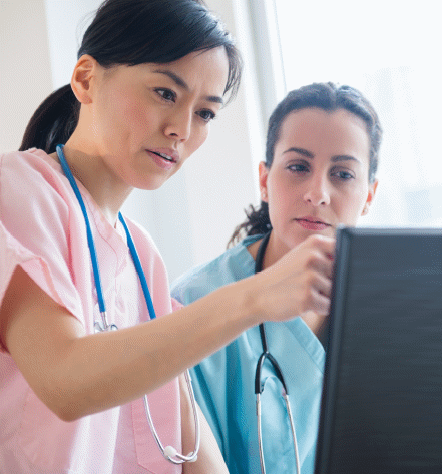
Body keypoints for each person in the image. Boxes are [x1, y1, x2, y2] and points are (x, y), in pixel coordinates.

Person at [0, 1, 338, 473]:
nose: (181, 129)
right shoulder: (17, 190)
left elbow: (193, 445)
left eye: (205, 113)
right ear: (85, 79)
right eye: (164, 92)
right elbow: (65, 382)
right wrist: (254, 297)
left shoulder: (141, 255)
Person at [171, 82, 382, 474]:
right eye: (298, 167)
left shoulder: (393, 309)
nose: (318, 193)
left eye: (343, 174)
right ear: (265, 181)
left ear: (369, 195)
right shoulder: (191, 303)